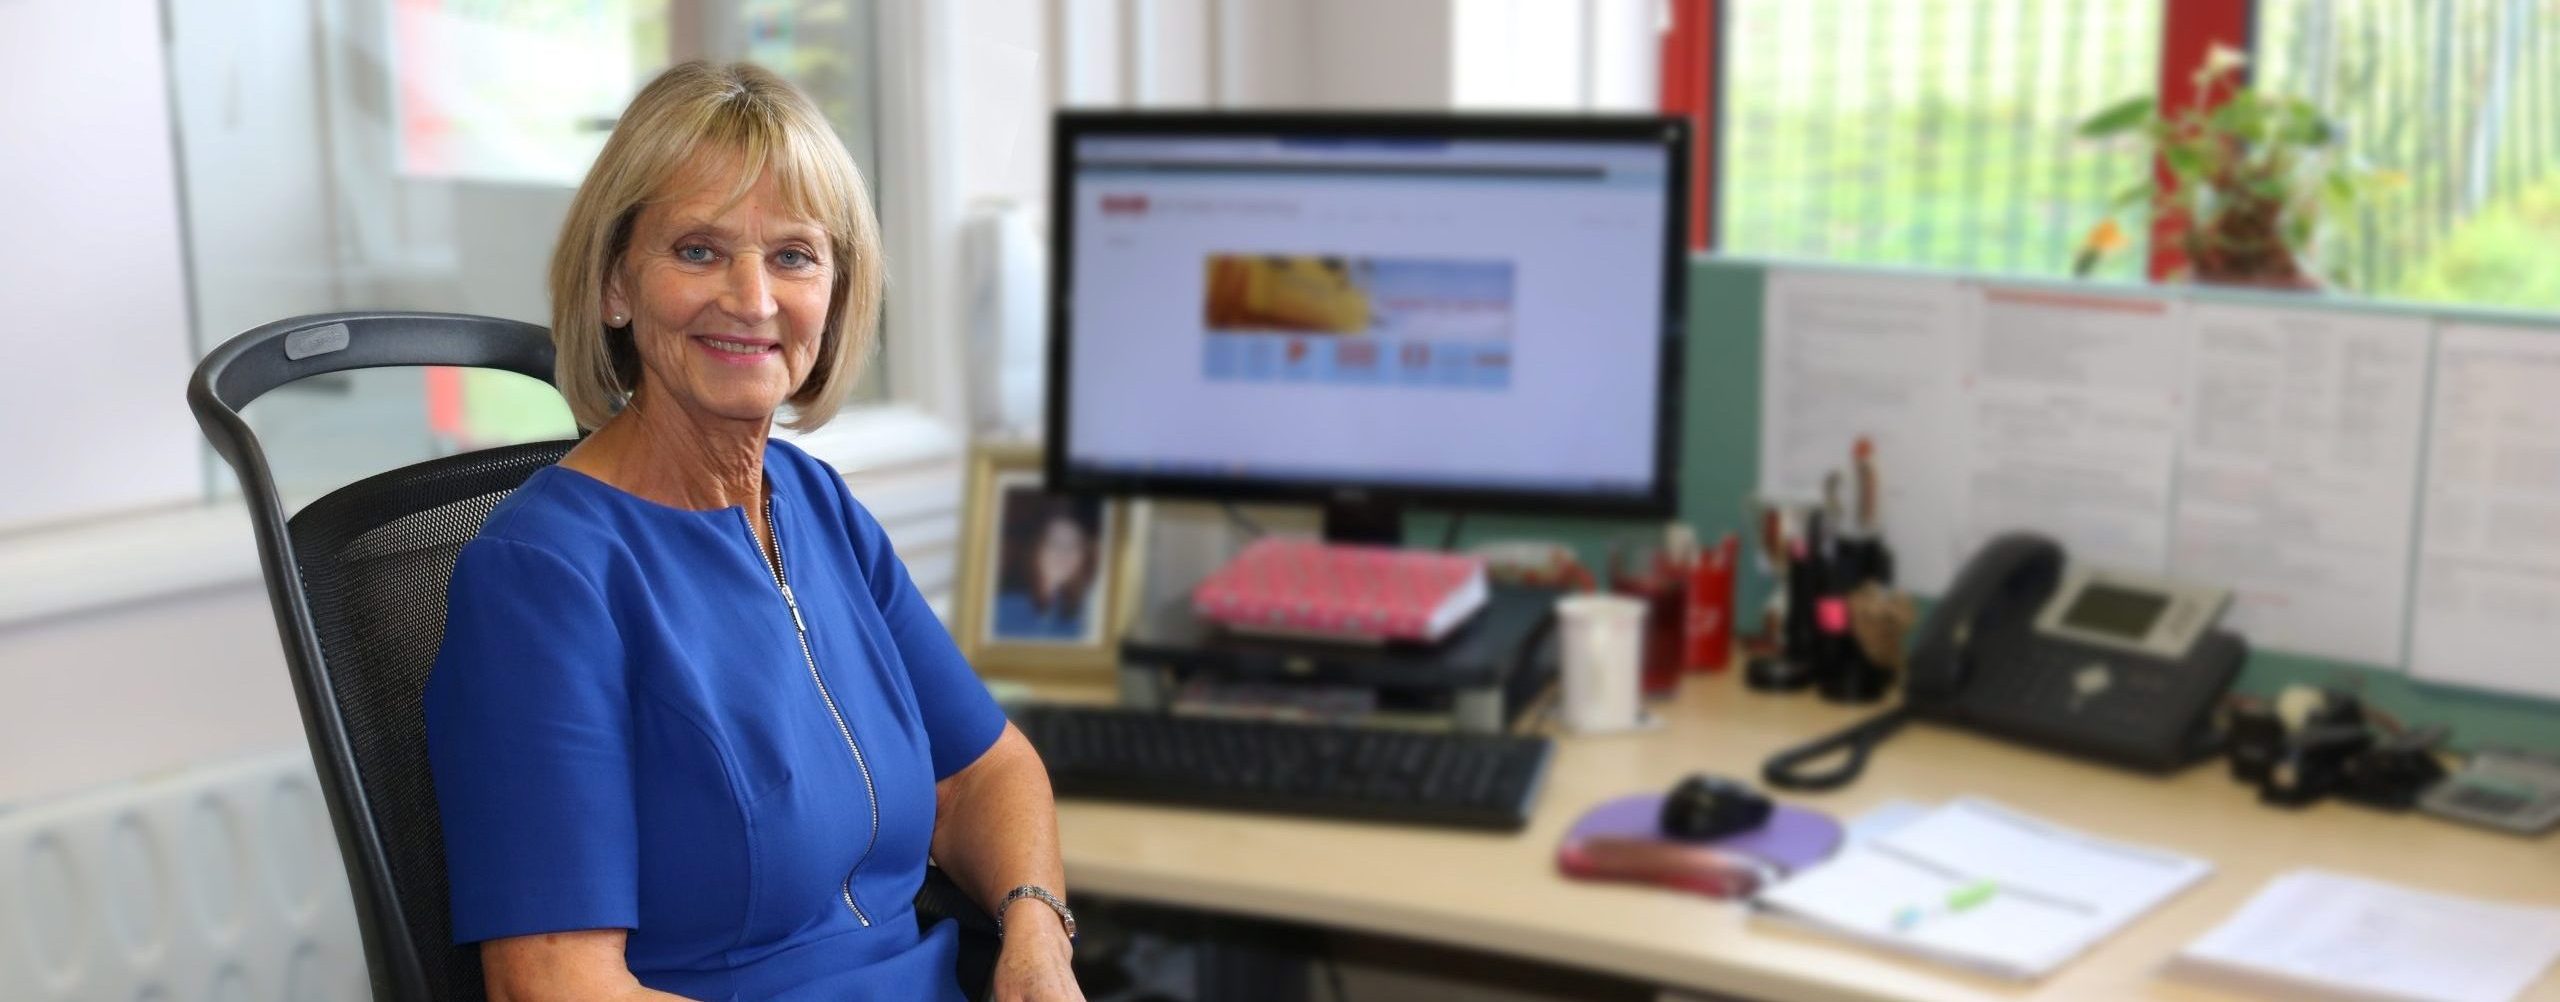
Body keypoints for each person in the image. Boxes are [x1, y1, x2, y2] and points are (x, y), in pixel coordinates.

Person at [425, 62, 1083, 1002]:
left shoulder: (813, 501)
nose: (753, 298)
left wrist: (1035, 933)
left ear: (836, 290)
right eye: (698, 250)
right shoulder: (543, 578)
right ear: (615, 285)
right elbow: (555, 983)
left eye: (794, 256)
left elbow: (983, 773)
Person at [991, 494, 1102, 642]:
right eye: (1054, 543)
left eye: (1074, 545)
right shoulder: (1001, 607)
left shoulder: (1082, 620)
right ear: (1036, 550)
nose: (1064, 552)